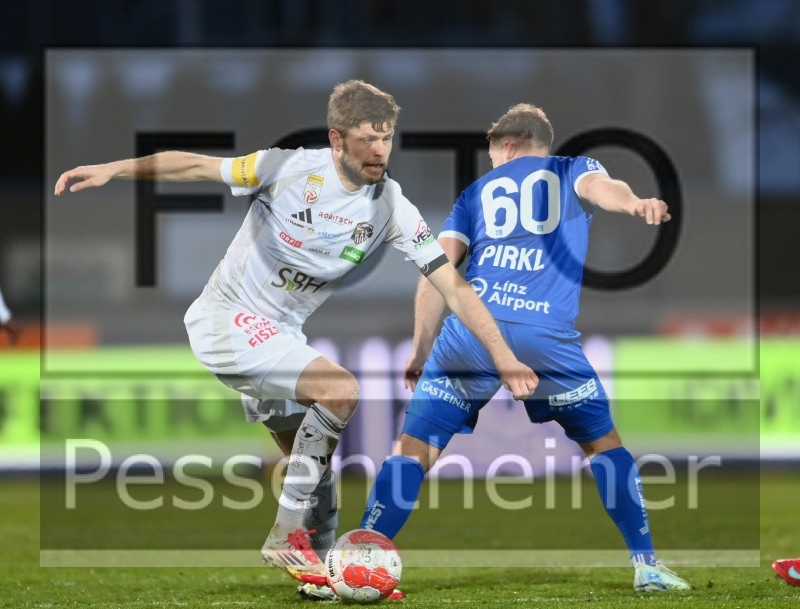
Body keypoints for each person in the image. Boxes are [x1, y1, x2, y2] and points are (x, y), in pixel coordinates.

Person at [54, 81, 537, 596]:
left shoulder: (391, 206)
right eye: (367, 139)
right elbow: (195, 166)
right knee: (340, 391)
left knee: (315, 473)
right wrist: (114, 169)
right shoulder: (286, 169)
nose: (379, 151)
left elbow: (455, 287)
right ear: (336, 139)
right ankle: (284, 535)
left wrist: (503, 356)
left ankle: (326, 575)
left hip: (279, 335)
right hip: (225, 319)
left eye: (386, 138)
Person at [358, 103, 692, 592]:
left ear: (510, 144)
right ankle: (647, 566)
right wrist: (635, 202)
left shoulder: (474, 195)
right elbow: (604, 189)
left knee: (412, 450)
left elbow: (435, 274)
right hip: (545, 338)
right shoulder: (572, 169)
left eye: (494, 152)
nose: (494, 163)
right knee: (603, 445)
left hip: (471, 334)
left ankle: (361, 560)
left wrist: (421, 349)